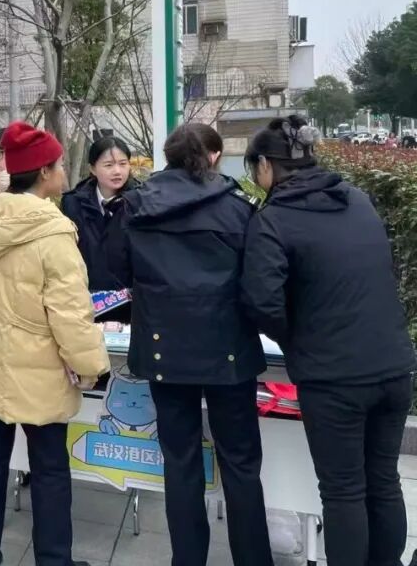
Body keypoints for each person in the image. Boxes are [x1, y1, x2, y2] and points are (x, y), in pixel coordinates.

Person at [241, 116, 417, 566]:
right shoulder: (357, 199)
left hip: (333, 378)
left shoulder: (273, 220)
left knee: (343, 491)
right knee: (384, 480)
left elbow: (261, 302)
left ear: (265, 166)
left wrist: (297, 337)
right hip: (393, 365)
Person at [0, 122, 110, 566]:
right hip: (39, 371)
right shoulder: (53, 232)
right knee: (50, 469)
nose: (63, 172)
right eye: (58, 164)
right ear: (43, 173)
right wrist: (90, 366)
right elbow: (70, 313)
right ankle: (54, 560)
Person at [107, 123, 272, 566]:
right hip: (229, 348)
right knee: (241, 464)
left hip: (164, 347)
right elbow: (258, 277)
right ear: (214, 156)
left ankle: (188, 559)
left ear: (169, 156)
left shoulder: (136, 205)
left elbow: (117, 268)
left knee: (179, 463)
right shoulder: (240, 207)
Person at [61, 137, 138, 323]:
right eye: (109, 165)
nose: (117, 171)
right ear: (93, 169)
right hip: (86, 303)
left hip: (131, 306)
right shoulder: (73, 203)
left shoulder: (141, 202)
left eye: (123, 163)